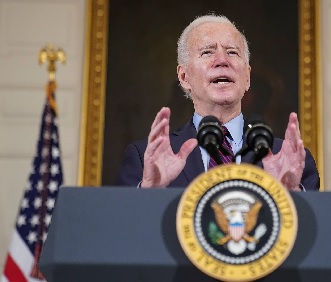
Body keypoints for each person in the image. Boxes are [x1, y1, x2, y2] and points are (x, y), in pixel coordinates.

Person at [116, 14, 320, 191]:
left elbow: (316, 230)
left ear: (247, 78)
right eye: (207, 52)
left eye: (232, 52)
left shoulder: (291, 162)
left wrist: (292, 195)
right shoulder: (144, 159)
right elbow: (124, 229)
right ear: (184, 77)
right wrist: (149, 191)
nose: (222, 60)